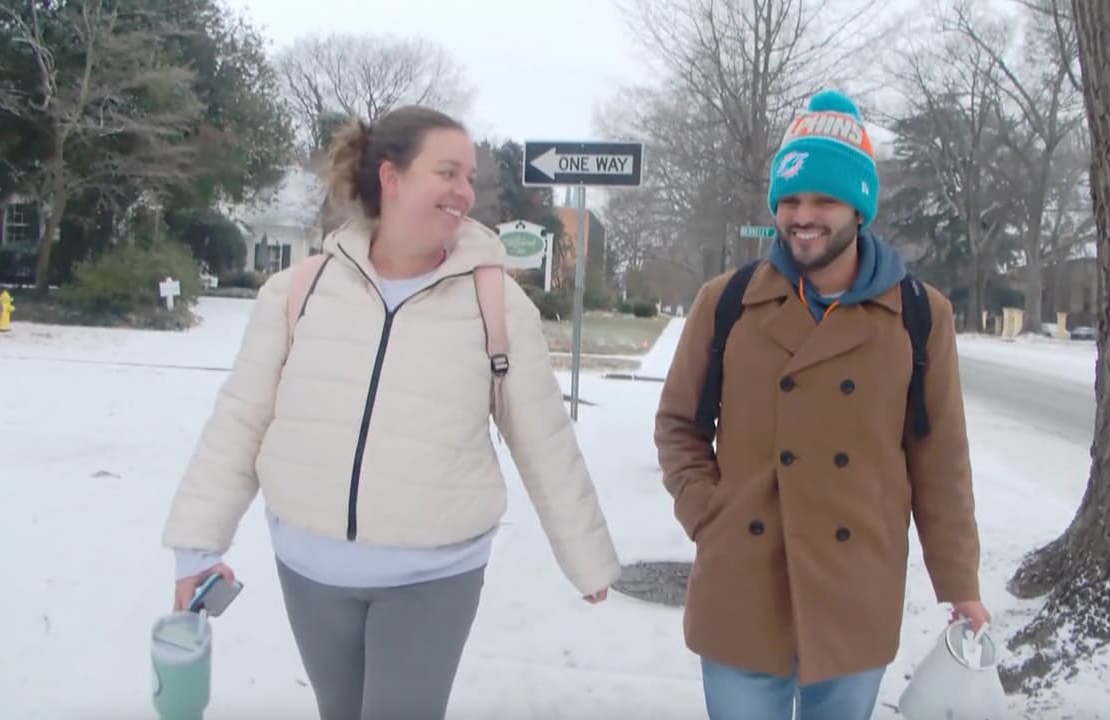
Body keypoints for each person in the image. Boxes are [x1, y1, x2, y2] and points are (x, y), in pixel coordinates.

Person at [161, 106, 621, 720]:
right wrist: (196, 548)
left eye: (469, 177)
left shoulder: (496, 303)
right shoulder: (298, 291)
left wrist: (586, 557)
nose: (464, 192)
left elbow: (545, 439)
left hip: (433, 575)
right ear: (391, 177)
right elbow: (238, 423)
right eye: (447, 172)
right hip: (309, 569)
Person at [653, 88, 989, 720]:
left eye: (824, 201)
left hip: (855, 593)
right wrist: (708, 514)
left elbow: (939, 459)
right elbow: (679, 425)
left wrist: (960, 583)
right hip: (742, 587)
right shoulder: (727, 302)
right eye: (791, 200)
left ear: (859, 207)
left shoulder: (920, 315)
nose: (803, 217)